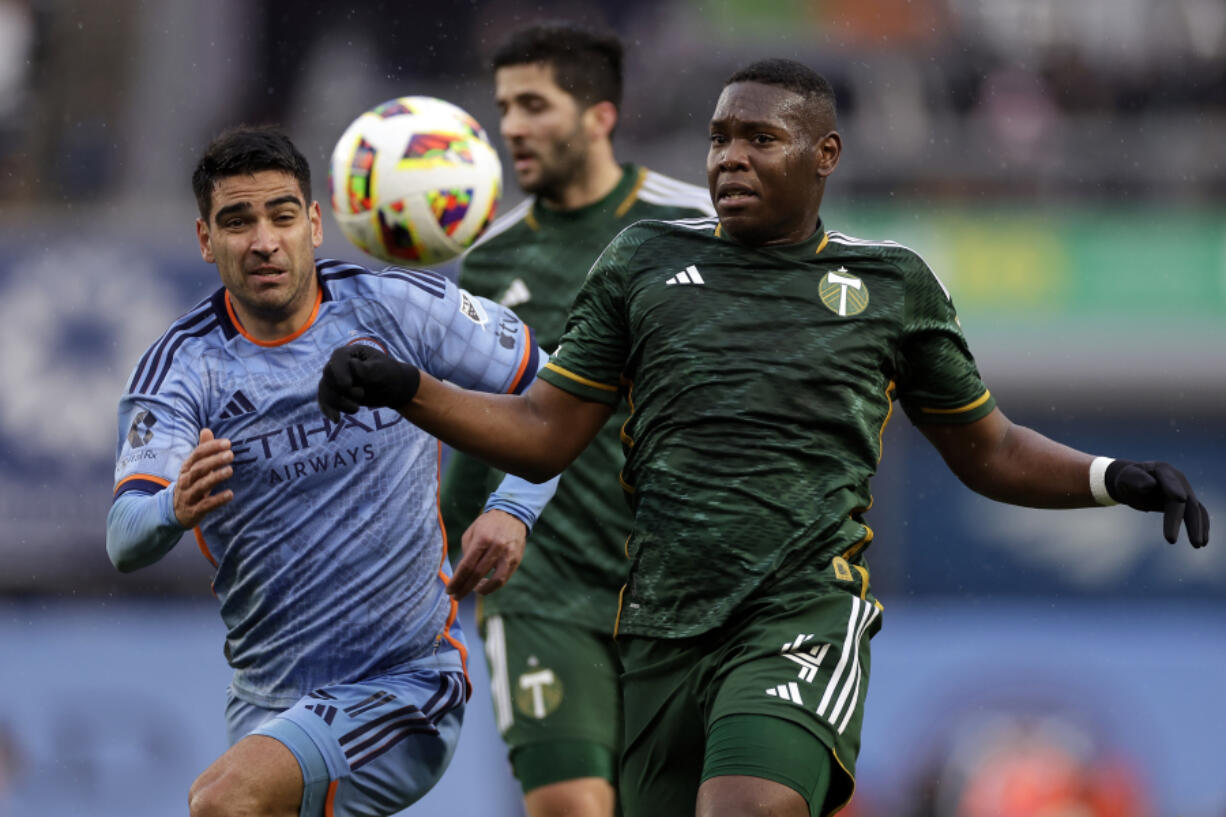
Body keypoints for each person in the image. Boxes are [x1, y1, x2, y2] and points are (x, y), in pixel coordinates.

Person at [316, 59, 1210, 817]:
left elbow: (989, 448)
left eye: (758, 138)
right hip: (661, 629)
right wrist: (409, 387)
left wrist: (1110, 475)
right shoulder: (642, 265)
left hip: (799, 615)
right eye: (718, 139)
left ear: (825, 156)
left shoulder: (891, 286)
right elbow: (544, 434)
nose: (730, 159)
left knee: (746, 805)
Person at [106, 125, 553, 817]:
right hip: (268, 701)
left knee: (223, 799)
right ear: (205, 240)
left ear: (314, 224)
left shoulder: (396, 307)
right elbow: (124, 537)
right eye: (237, 221)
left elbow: (556, 391)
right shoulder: (183, 370)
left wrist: (514, 507)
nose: (263, 240)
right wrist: (173, 507)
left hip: (407, 682)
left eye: (282, 216)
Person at [439, 22, 713, 817]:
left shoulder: (695, 227)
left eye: (534, 104)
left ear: (599, 115)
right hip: (541, 583)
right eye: (504, 107)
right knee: (569, 805)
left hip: (677, 585)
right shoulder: (488, 258)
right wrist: (443, 541)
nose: (512, 126)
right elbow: (485, 428)